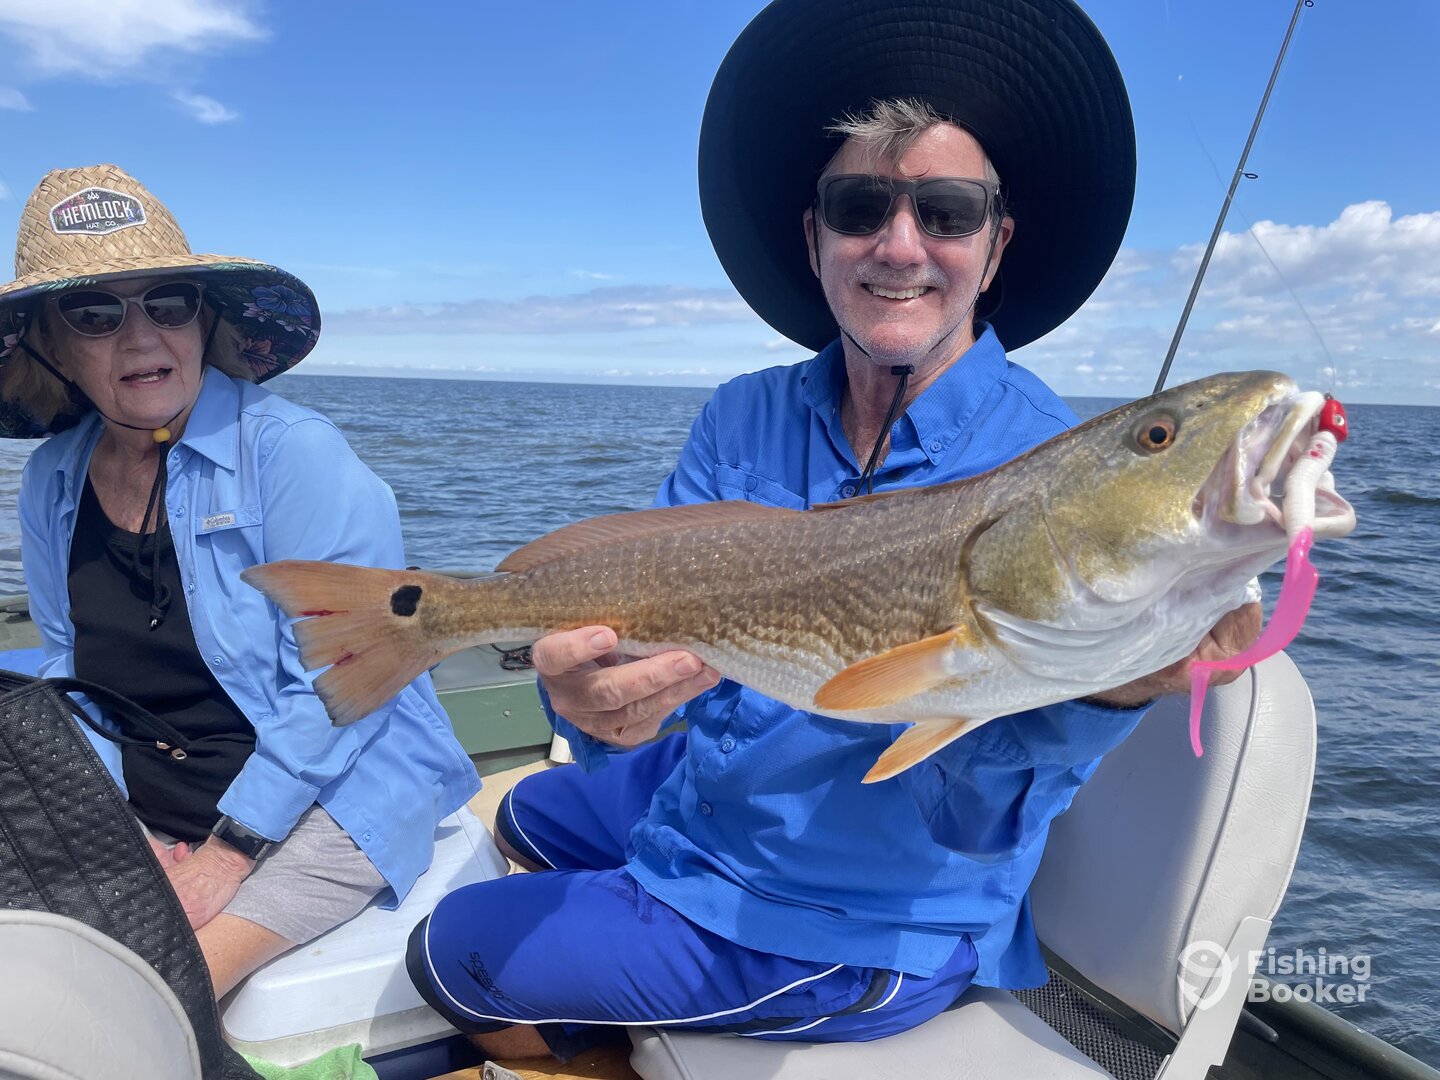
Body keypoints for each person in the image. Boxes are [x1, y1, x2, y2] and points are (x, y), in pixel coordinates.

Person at [406, 0, 1261, 1061]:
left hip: (853, 913)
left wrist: (1117, 682)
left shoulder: (1052, 468)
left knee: (446, 955)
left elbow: (975, 821)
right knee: (529, 810)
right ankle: (631, 942)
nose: (901, 245)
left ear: (995, 248)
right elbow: (665, 673)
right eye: (862, 206)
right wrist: (593, 703)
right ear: (815, 239)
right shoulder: (745, 414)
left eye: (947, 212)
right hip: (713, 802)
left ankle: (624, 1031)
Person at [0, 165, 480, 998]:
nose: (142, 336)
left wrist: (229, 852)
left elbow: (350, 676)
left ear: (203, 317)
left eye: (167, 302)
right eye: (95, 313)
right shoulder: (52, 477)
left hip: (336, 789)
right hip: (155, 796)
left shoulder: (294, 453)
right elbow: (68, 671)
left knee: (151, 992)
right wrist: (118, 829)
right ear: (49, 341)